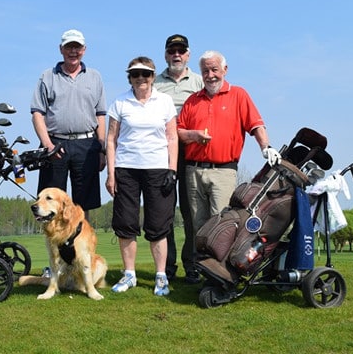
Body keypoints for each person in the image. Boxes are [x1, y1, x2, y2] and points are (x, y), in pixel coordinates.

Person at [177, 50, 281, 265]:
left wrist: (266, 147)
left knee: (220, 223)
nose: (210, 75)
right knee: (198, 224)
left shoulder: (238, 95)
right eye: (206, 71)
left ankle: (221, 271)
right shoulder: (192, 100)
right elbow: (178, 132)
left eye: (215, 69)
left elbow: (255, 124)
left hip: (223, 170)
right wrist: (193, 135)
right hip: (193, 170)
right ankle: (200, 270)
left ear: (225, 70)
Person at [105, 57, 178, 296]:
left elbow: (172, 137)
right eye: (135, 74)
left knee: (158, 224)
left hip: (157, 169)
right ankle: (129, 274)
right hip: (126, 169)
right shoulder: (120, 102)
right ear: (130, 77)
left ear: (153, 76)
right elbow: (111, 139)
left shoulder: (165, 102)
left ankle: (160, 276)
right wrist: (111, 173)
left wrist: (172, 169)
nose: (141, 79)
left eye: (145, 74)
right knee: (126, 223)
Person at [30, 29, 107, 220]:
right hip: (55, 144)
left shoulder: (95, 76)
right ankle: (55, 249)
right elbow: (37, 113)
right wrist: (48, 145)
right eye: (69, 47)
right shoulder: (48, 76)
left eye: (77, 47)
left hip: (87, 145)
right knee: (50, 203)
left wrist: (101, 149)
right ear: (61, 49)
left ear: (84, 50)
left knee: (83, 205)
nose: (73, 51)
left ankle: (81, 246)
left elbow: (100, 115)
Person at [154, 34, 204, 284]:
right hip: (161, 152)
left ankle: (193, 264)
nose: (176, 55)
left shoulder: (198, 81)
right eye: (172, 50)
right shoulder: (154, 82)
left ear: (188, 55)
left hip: (191, 152)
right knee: (164, 211)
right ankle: (167, 266)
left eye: (180, 51)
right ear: (165, 54)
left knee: (191, 211)